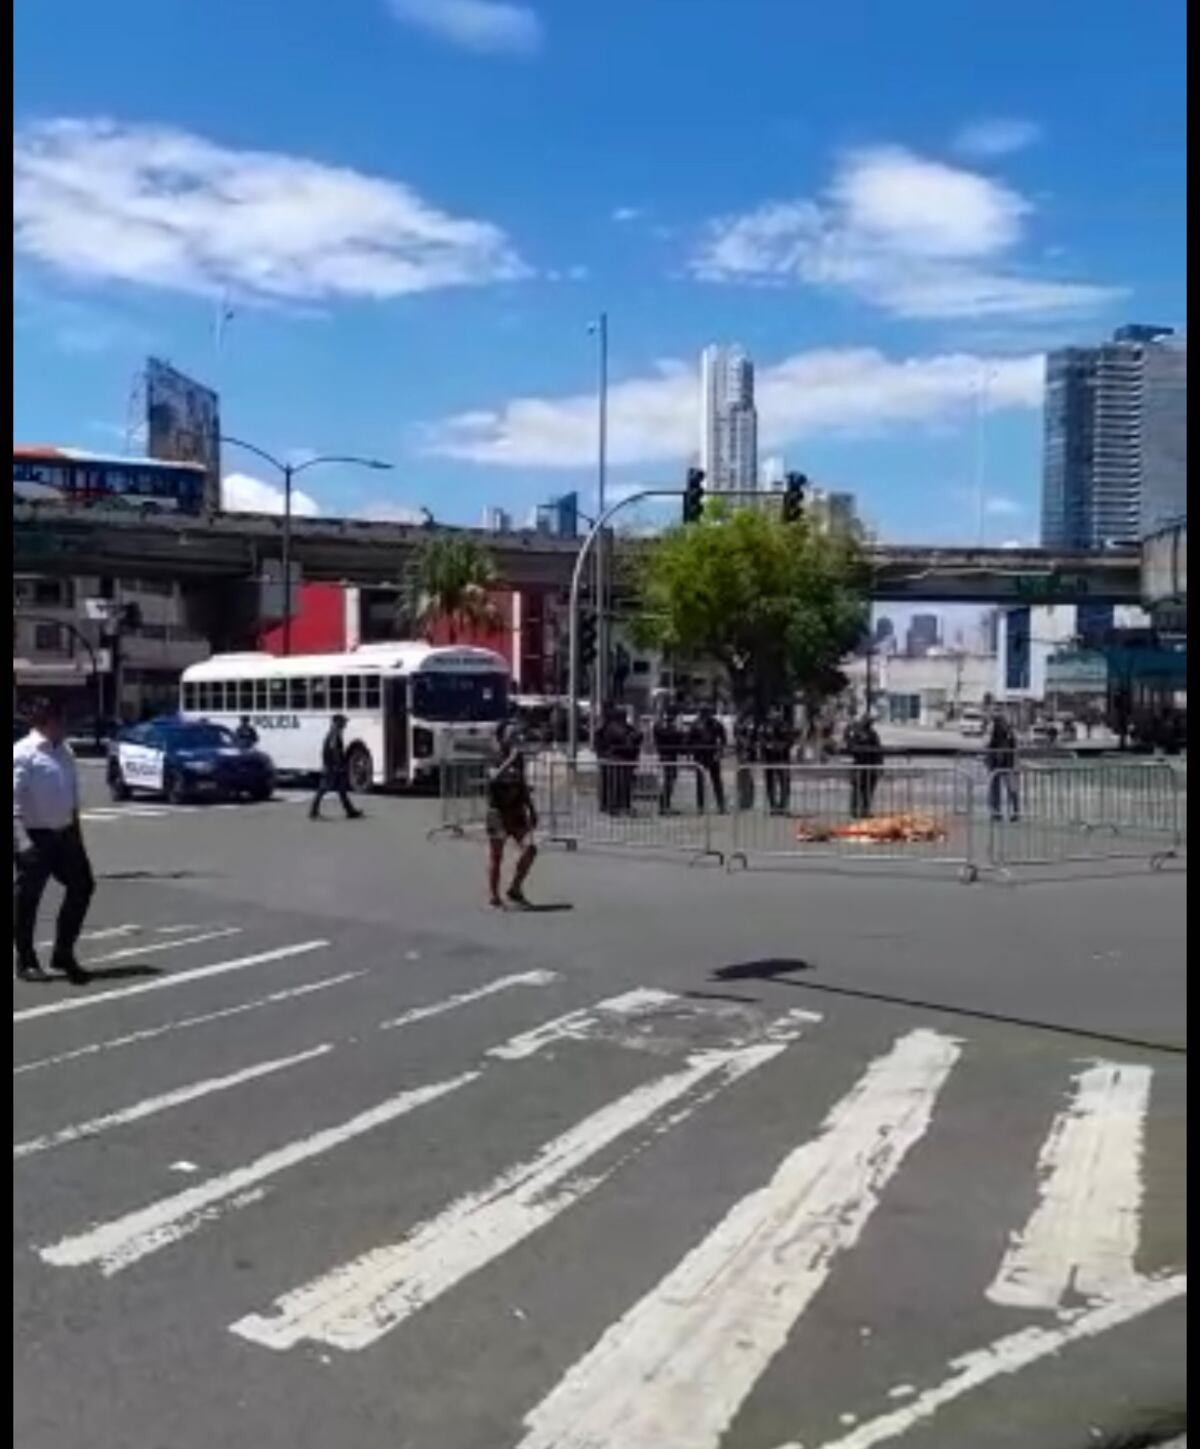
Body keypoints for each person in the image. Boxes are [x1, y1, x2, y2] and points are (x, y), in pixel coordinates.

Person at [13, 697, 94, 984]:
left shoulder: (65, 751)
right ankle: (26, 960)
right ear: (47, 721)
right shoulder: (23, 753)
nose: (66, 725)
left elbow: (71, 798)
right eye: (62, 719)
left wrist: (77, 834)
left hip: (65, 833)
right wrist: (22, 843)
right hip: (34, 835)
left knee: (83, 885)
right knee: (28, 899)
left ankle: (63, 952)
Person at [486, 743, 538, 908]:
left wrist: (532, 809)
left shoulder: (518, 762)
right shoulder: (495, 761)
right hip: (497, 814)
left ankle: (515, 888)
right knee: (496, 857)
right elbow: (494, 778)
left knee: (530, 849)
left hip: (517, 813)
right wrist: (509, 760)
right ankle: (494, 895)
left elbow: (523, 786)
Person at [309, 714, 364, 820]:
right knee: (323, 788)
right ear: (337, 722)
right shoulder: (334, 733)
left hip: (331, 765)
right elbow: (334, 749)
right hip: (332, 766)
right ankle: (313, 811)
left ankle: (350, 811)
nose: (345, 724)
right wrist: (338, 764)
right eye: (343, 722)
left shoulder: (333, 732)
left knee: (341, 790)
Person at [688, 704, 727, 813]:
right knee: (700, 783)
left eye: (707, 712)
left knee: (717, 781)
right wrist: (692, 753)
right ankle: (700, 807)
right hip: (700, 756)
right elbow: (689, 740)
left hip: (712, 755)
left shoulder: (715, 723)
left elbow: (723, 738)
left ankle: (721, 805)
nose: (705, 715)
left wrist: (720, 752)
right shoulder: (695, 724)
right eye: (703, 712)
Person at [846, 714, 883, 819]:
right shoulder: (856, 733)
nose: (870, 723)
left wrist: (880, 766)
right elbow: (851, 747)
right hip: (860, 766)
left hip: (870, 766)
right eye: (868, 721)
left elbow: (879, 751)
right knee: (857, 790)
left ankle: (865, 811)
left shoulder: (873, 734)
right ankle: (855, 811)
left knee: (868, 791)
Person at [985, 711, 1020, 822]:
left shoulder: (1002, 731)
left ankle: (998, 812)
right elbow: (1014, 745)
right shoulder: (1008, 731)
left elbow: (987, 744)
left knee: (1000, 788)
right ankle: (1012, 811)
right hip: (1005, 763)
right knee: (1009, 788)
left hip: (1000, 763)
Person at [762, 705, 796, 814]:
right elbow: (761, 739)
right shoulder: (765, 725)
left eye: (775, 712)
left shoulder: (785, 725)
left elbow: (790, 740)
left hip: (782, 758)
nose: (773, 714)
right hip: (769, 758)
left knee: (784, 782)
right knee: (770, 783)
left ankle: (784, 806)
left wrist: (781, 746)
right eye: (771, 712)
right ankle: (773, 806)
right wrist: (767, 745)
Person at [595, 706, 627, 815]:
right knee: (613, 783)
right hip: (611, 758)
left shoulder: (602, 727)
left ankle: (605, 804)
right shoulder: (612, 727)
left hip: (603, 757)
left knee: (606, 783)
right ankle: (612, 806)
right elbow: (623, 736)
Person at [653, 705, 685, 814]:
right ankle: (664, 805)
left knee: (669, 781)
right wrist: (679, 731)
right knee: (668, 781)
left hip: (668, 756)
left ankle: (665, 804)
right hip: (668, 756)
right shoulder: (666, 728)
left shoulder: (662, 727)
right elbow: (676, 737)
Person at [733, 711, 759, 811]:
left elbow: (753, 738)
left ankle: (748, 801)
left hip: (749, 754)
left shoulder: (750, 725)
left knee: (748, 778)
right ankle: (742, 800)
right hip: (741, 753)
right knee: (741, 778)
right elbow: (737, 736)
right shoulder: (739, 724)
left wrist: (748, 747)